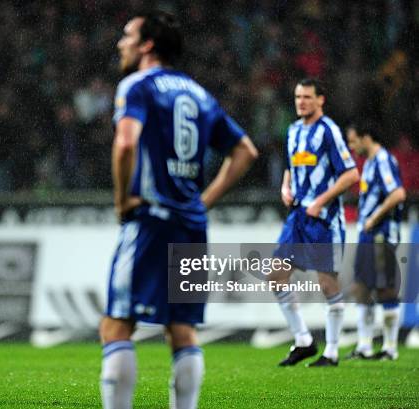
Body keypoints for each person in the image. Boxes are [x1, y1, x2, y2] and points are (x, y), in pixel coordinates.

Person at [100, 12, 258, 409]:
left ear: (147, 45)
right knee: (181, 329)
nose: (121, 43)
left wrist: (122, 201)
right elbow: (246, 151)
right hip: (191, 225)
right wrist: (202, 201)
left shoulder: (137, 86)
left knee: (117, 324)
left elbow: (125, 143)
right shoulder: (200, 94)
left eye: (127, 35)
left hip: (151, 219)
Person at [272, 79, 360, 367]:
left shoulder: (329, 132)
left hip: (323, 220)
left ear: (321, 100)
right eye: (298, 97)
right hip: (297, 217)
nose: (301, 102)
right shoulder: (294, 130)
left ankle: (332, 351)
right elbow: (290, 165)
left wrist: (321, 201)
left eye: (308, 97)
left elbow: (350, 175)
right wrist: (285, 187)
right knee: (275, 275)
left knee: (327, 283)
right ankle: (303, 341)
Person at [346, 124, 406, 360]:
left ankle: (390, 348)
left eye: (353, 141)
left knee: (385, 288)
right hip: (367, 233)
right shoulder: (370, 162)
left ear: (366, 137)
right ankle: (364, 346)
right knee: (361, 287)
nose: (352, 147)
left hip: (381, 232)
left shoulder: (383, 160)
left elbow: (398, 193)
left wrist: (373, 217)